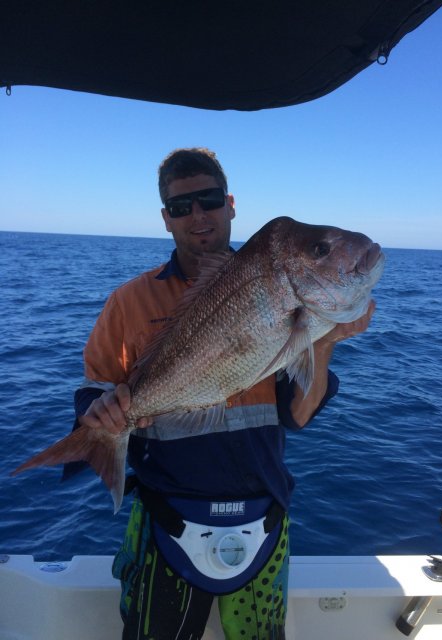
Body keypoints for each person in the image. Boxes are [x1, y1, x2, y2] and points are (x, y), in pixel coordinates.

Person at [74, 148, 375, 640]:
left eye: (208, 200)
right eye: (180, 207)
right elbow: (93, 387)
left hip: (264, 510)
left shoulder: (280, 289)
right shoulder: (128, 301)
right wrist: (100, 413)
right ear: (166, 219)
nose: (198, 216)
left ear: (230, 204)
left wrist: (327, 342)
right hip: (166, 513)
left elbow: (296, 418)